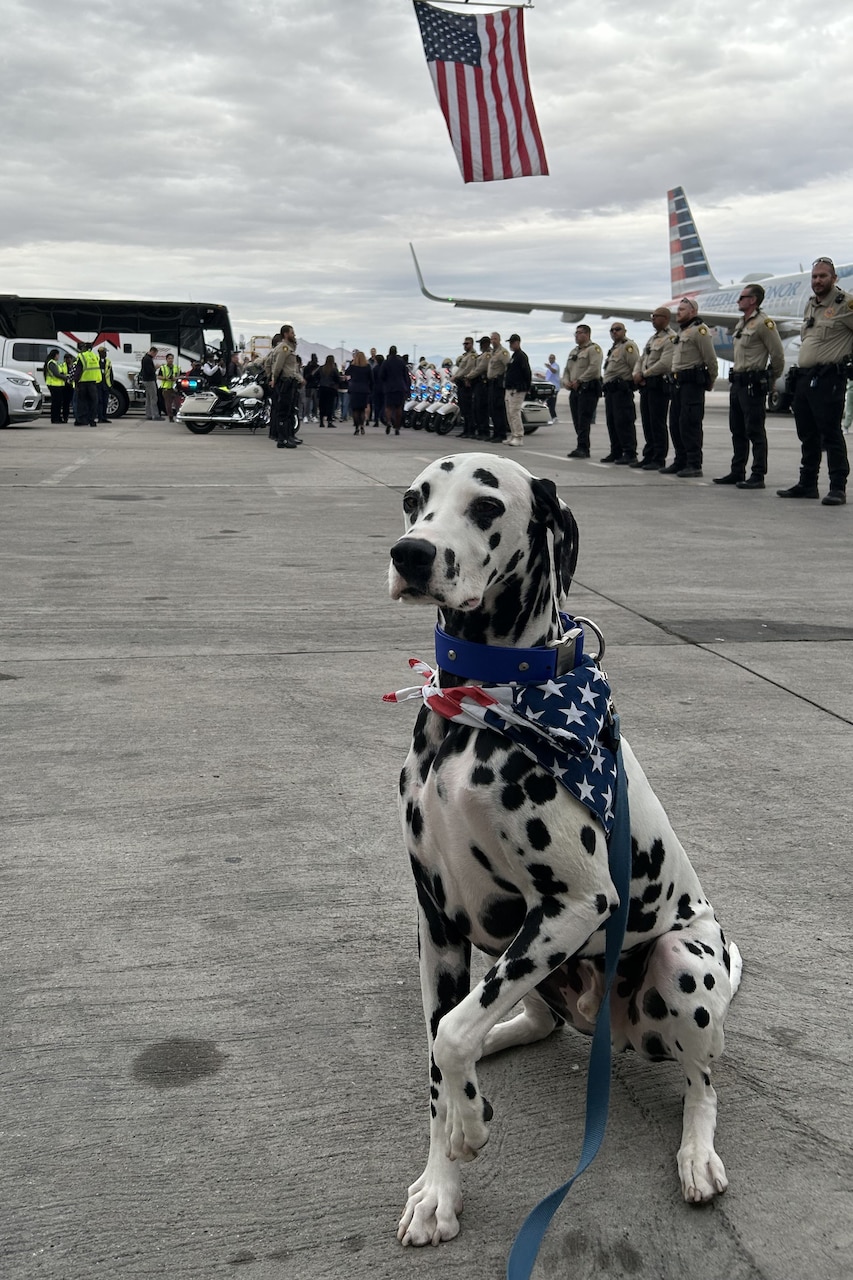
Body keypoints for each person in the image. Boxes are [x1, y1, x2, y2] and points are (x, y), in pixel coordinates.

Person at [777, 257, 852, 506]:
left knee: (830, 433)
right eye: (814, 277)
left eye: (823, 276)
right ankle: (808, 484)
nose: (818, 280)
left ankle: (837, 487)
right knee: (807, 433)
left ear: (834, 278)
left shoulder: (846, 304)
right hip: (806, 377)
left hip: (830, 376)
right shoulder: (811, 304)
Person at [714, 284, 785, 490]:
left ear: (753, 300)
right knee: (737, 428)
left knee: (754, 430)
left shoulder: (764, 323)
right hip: (737, 382)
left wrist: (771, 379)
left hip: (753, 384)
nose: (738, 301)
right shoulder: (742, 323)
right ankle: (737, 471)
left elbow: (777, 354)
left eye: (742, 297)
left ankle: (757, 474)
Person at [665, 298, 718, 478]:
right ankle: (680, 460)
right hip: (678, 384)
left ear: (693, 311)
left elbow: (710, 358)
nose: (678, 312)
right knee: (675, 424)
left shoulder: (699, 331)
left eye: (682, 309)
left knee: (690, 425)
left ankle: (694, 464)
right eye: (677, 309)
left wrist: (710, 380)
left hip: (692, 384)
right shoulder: (682, 332)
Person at [633, 307, 676, 469]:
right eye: (652, 316)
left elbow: (665, 363)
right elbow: (642, 358)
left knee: (657, 423)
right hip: (647, 386)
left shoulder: (670, 338)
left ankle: (659, 458)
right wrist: (637, 372)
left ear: (665, 318)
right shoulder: (653, 339)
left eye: (656, 316)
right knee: (647, 422)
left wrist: (644, 374)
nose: (653, 319)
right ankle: (649, 455)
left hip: (659, 385)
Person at [562, 324, 602, 459]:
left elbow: (594, 368)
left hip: (587, 389)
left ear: (587, 334)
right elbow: (567, 369)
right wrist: (566, 381)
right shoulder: (574, 351)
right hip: (575, 390)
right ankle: (580, 445)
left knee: (584, 419)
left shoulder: (593, 349)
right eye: (576, 333)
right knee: (577, 420)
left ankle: (583, 448)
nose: (577, 335)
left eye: (579, 333)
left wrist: (579, 380)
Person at [601, 322, 639, 463]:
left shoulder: (628, 346)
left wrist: (631, 384)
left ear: (624, 331)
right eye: (612, 330)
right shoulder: (614, 348)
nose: (614, 332)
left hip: (622, 391)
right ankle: (616, 451)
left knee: (624, 422)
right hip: (611, 392)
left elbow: (635, 366)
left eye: (617, 329)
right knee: (612, 422)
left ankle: (630, 453)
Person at [269, 323, 303, 448]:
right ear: (286, 334)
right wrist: (274, 379)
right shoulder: (284, 348)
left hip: (290, 382)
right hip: (285, 382)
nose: (294, 335)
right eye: (292, 333)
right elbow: (278, 366)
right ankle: (282, 439)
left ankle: (288, 436)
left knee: (289, 412)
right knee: (283, 412)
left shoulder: (289, 348)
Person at [504, 334, 532, 447]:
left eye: (513, 342)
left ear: (518, 343)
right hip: (510, 388)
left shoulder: (521, 356)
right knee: (509, 413)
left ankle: (518, 436)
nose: (511, 345)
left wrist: (525, 387)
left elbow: (527, 373)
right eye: (510, 343)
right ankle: (513, 434)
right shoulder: (514, 356)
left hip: (517, 389)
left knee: (514, 413)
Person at [379, 345, 411, 435]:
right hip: (400, 387)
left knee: (388, 407)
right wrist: (407, 388)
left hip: (389, 388)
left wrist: (385, 382)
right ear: (396, 352)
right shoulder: (401, 362)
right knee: (398, 408)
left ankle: (388, 421)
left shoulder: (386, 362)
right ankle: (397, 426)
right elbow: (406, 376)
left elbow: (381, 375)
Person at [486, 332, 511, 442]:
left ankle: (502, 434)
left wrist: (504, 380)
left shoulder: (503, 352)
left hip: (498, 384)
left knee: (499, 409)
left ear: (499, 340)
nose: (493, 341)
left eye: (495, 339)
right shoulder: (492, 352)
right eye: (491, 339)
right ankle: (496, 433)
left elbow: (508, 367)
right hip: (491, 383)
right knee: (492, 409)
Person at [452, 336, 478, 438]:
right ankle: (466, 430)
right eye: (464, 344)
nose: (465, 345)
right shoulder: (465, 356)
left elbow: (467, 369)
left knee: (468, 409)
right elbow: (460, 368)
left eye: (467, 344)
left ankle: (470, 430)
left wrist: (456, 376)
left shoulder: (472, 356)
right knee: (463, 408)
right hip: (461, 384)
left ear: (471, 344)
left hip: (466, 384)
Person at [468, 336, 492, 440]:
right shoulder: (482, 355)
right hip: (478, 383)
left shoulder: (487, 355)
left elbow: (480, 368)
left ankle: (485, 431)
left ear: (486, 344)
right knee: (477, 408)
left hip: (484, 383)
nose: (480, 346)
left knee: (482, 409)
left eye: (481, 344)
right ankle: (480, 430)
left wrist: (468, 377)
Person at [73, 341, 101, 427]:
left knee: (82, 402)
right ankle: (92, 420)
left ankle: (82, 420)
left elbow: (78, 371)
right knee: (93, 402)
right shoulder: (95, 356)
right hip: (93, 382)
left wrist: (76, 382)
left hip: (83, 383)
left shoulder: (82, 356)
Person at [346, 350, 373, 435]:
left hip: (354, 389)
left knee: (355, 409)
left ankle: (356, 427)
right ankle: (362, 426)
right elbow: (371, 379)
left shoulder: (353, 366)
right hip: (364, 390)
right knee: (362, 409)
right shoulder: (368, 367)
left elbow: (346, 373)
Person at [44, 348, 68, 423]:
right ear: (55, 355)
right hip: (54, 385)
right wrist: (66, 377)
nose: (58, 356)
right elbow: (56, 374)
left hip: (57, 385)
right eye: (58, 355)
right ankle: (55, 418)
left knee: (58, 402)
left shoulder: (55, 362)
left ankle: (57, 418)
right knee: (56, 403)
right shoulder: (52, 363)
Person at [317, 355, 340, 428]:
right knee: (330, 405)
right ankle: (329, 421)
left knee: (322, 405)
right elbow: (337, 379)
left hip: (322, 388)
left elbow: (316, 376)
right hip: (331, 388)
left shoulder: (321, 368)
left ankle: (321, 421)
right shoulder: (334, 369)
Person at [158, 353, 181, 422]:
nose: (170, 360)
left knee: (177, 403)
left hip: (175, 388)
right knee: (168, 404)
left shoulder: (177, 368)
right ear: (166, 359)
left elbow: (180, 376)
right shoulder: (163, 368)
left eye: (172, 358)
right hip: (166, 388)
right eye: (169, 359)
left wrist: (175, 378)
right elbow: (158, 376)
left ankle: (178, 415)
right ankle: (170, 417)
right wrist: (165, 378)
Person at [140, 346, 161, 420]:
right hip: (149, 380)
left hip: (146, 380)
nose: (155, 356)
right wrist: (156, 367)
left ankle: (148, 414)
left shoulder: (145, 358)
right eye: (155, 354)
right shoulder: (148, 359)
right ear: (152, 352)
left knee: (148, 398)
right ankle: (155, 415)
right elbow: (150, 371)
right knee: (153, 398)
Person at [96, 345, 113, 422]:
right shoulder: (96, 361)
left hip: (106, 385)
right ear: (100, 353)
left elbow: (110, 374)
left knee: (105, 401)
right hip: (98, 384)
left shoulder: (108, 361)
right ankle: (100, 417)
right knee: (99, 401)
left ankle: (104, 417)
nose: (105, 354)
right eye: (104, 352)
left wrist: (111, 384)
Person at [303, 353, 320, 422]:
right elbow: (305, 377)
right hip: (310, 386)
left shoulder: (317, 368)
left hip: (312, 386)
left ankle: (312, 415)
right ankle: (308, 415)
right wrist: (311, 375)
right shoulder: (309, 368)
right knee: (309, 402)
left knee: (314, 403)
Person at [543, 354, 560, 422]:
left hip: (554, 387)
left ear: (554, 359)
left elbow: (554, 371)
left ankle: (554, 417)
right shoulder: (549, 368)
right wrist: (540, 376)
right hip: (549, 387)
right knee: (548, 402)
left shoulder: (555, 366)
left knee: (552, 402)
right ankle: (552, 416)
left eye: (552, 358)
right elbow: (547, 378)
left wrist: (549, 367)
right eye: (550, 358)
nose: (551, 359)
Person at [371, 353, 385, 426]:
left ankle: (376, 420)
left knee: (376, 405)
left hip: (376, 388)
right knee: (383, 404)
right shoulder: (385, 368)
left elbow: (372, 379)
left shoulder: (375, 369)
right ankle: (382, 415)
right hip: (384, 388)